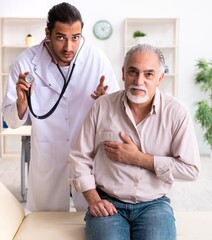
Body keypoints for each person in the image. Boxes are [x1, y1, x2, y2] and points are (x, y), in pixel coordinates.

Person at [69, 43, 200, 240]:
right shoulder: (102, 107)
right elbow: (80, 157)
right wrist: (93, 199)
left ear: (160, 78)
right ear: (123, 73)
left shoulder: (177, 113)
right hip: (108, 201)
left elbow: (191, 169)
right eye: (133, 71)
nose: (139, 81)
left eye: (149, 74)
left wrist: (140, 159)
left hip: (154, 205)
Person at [1, 2, 120, 212]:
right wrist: (21, 102)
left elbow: (117, 114)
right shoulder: (26, 63)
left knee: (92, 217)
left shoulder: (97, 60)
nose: (69, 47)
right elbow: (10, 121)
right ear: (48, 33)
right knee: (45, 222)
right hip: (48, 154)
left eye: (75, 38)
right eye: (60, 37)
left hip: (88, 156)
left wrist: (104, 101)